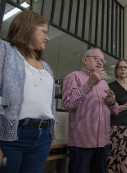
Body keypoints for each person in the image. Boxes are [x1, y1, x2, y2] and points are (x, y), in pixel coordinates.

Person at [0, 10, 57, 173]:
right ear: (28, 27)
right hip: (11, 136)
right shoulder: (5, 50)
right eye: (44, 32)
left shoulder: (47, 67)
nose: (47, 38)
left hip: (43, 136)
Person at [62, 48, 119, 173]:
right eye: (96, 58)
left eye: (102, 61)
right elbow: (68, 103)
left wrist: (113, 102)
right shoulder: (73, 76)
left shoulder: (104, 84)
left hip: (102, 142)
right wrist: (89, 84)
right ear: (85, 60)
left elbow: (116, 111)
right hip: (82, 142)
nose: (100, 62)